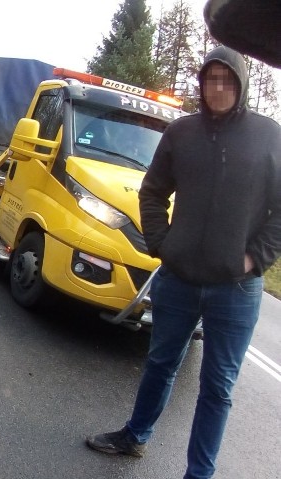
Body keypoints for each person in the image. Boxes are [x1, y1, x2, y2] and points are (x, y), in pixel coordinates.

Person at [86, 46, 281, 479]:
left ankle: (199, 474)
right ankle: (135, 437)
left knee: (217, 388)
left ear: (241, 83)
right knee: (160, 363)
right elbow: (152, 192)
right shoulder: (182, 133)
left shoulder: (270, 138)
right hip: (178, 279)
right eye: (211, 79)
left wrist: (254, 259)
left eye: (227, 79)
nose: (218, 87)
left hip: (237, 288)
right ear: (202, 83)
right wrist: (161, 245)